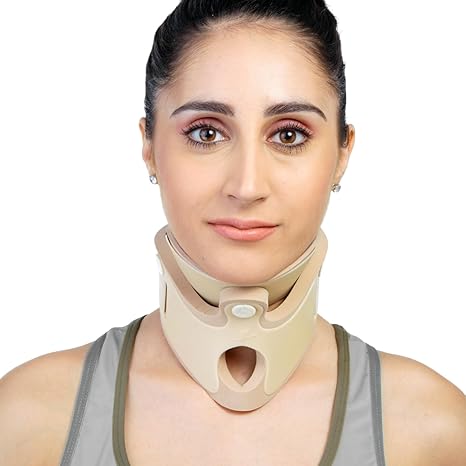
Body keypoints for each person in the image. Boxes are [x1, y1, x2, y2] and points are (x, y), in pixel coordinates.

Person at [1, 0, 465, 465]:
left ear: (342, 155)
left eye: (288, 135)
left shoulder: (434, 430)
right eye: (206, 133)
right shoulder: (27, 418)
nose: (246, 186)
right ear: (149, 147)